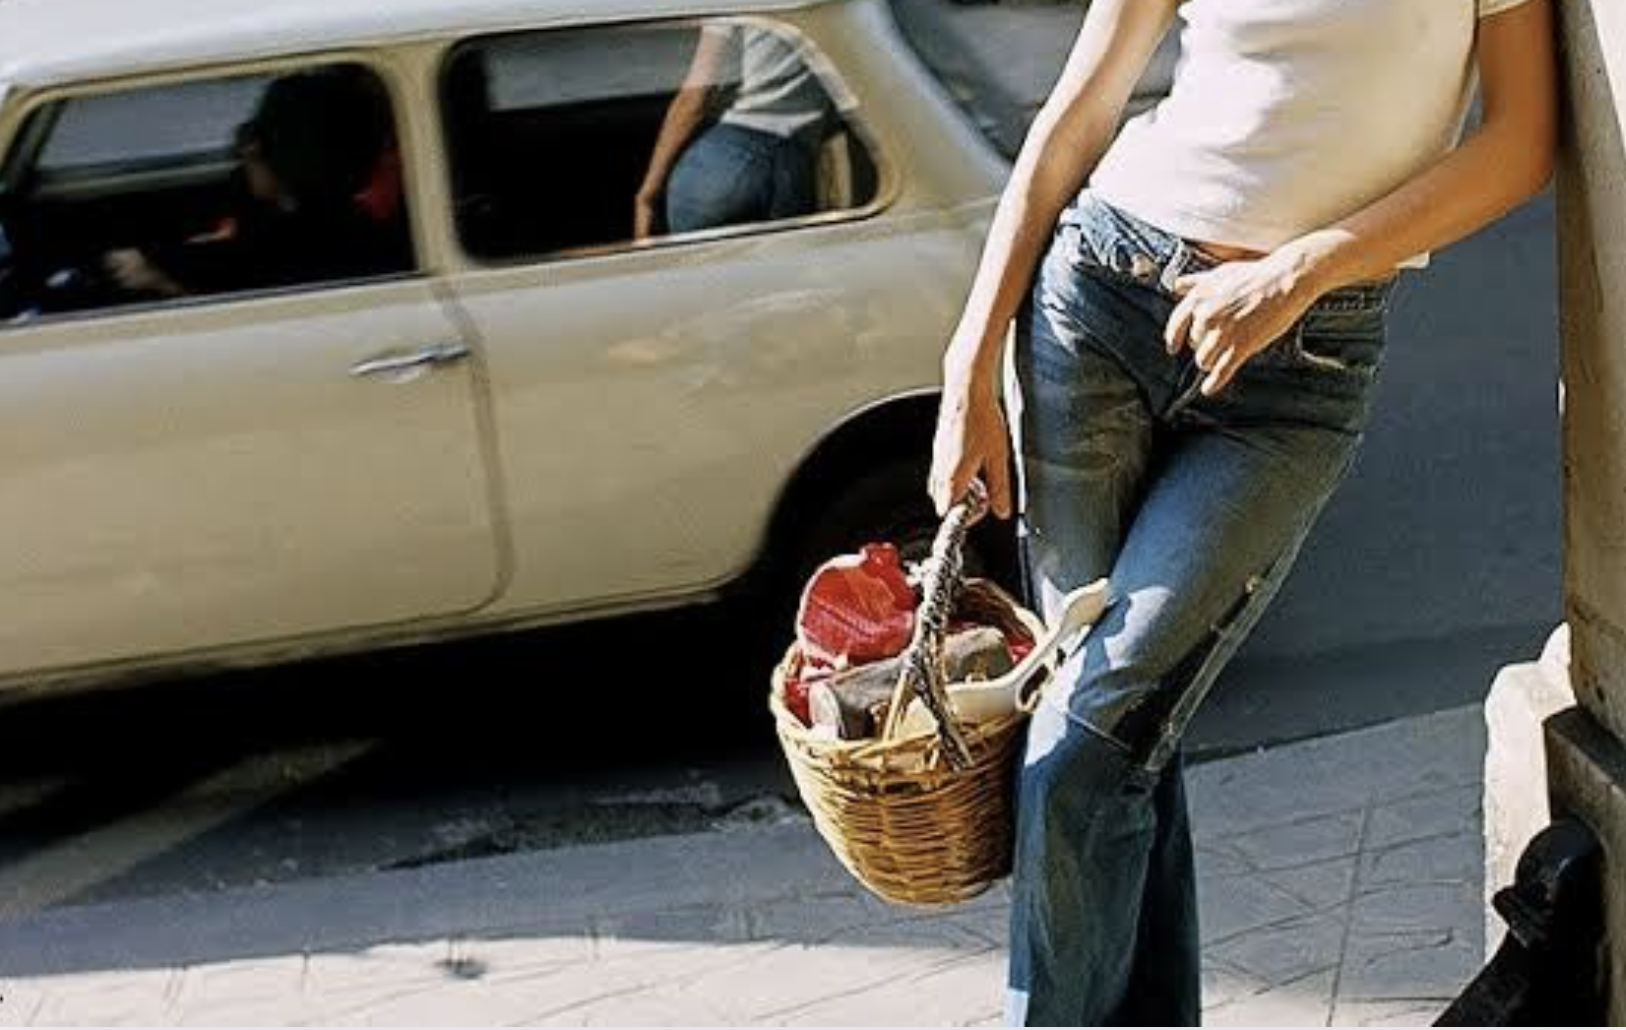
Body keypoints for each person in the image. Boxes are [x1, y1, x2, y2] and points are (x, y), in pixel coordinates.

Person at [925, 0, 1556, 1024]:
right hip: (1095, 309)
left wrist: (1300, 270)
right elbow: (1077, 115)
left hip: (1300, 369)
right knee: (1116, 745)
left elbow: (1522, 144)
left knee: (1085, 747)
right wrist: (968, 369)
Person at [105, 65, 407, 300]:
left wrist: (158, 272)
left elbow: (248, 270)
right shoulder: (355, 232)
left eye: (258, 138)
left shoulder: (295, 253)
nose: (245, 150)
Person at [634, 22, 835, 239]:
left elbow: (695, 97)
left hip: (723, 162)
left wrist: (648, 193)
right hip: (794, 165)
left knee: (703, 270)